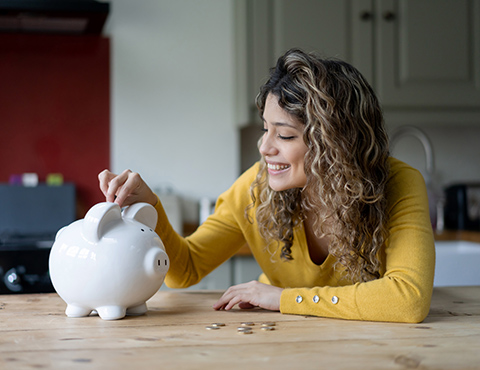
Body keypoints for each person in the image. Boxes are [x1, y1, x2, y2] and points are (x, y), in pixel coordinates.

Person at [98, 48, 435, 323]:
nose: (264, 147)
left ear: (336, 143)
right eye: (265, 129)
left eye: (284, 134)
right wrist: (151, 204)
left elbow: (407, 300)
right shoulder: (254, 188)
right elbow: (184, 270)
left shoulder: (399, 184)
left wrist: (285, 299)